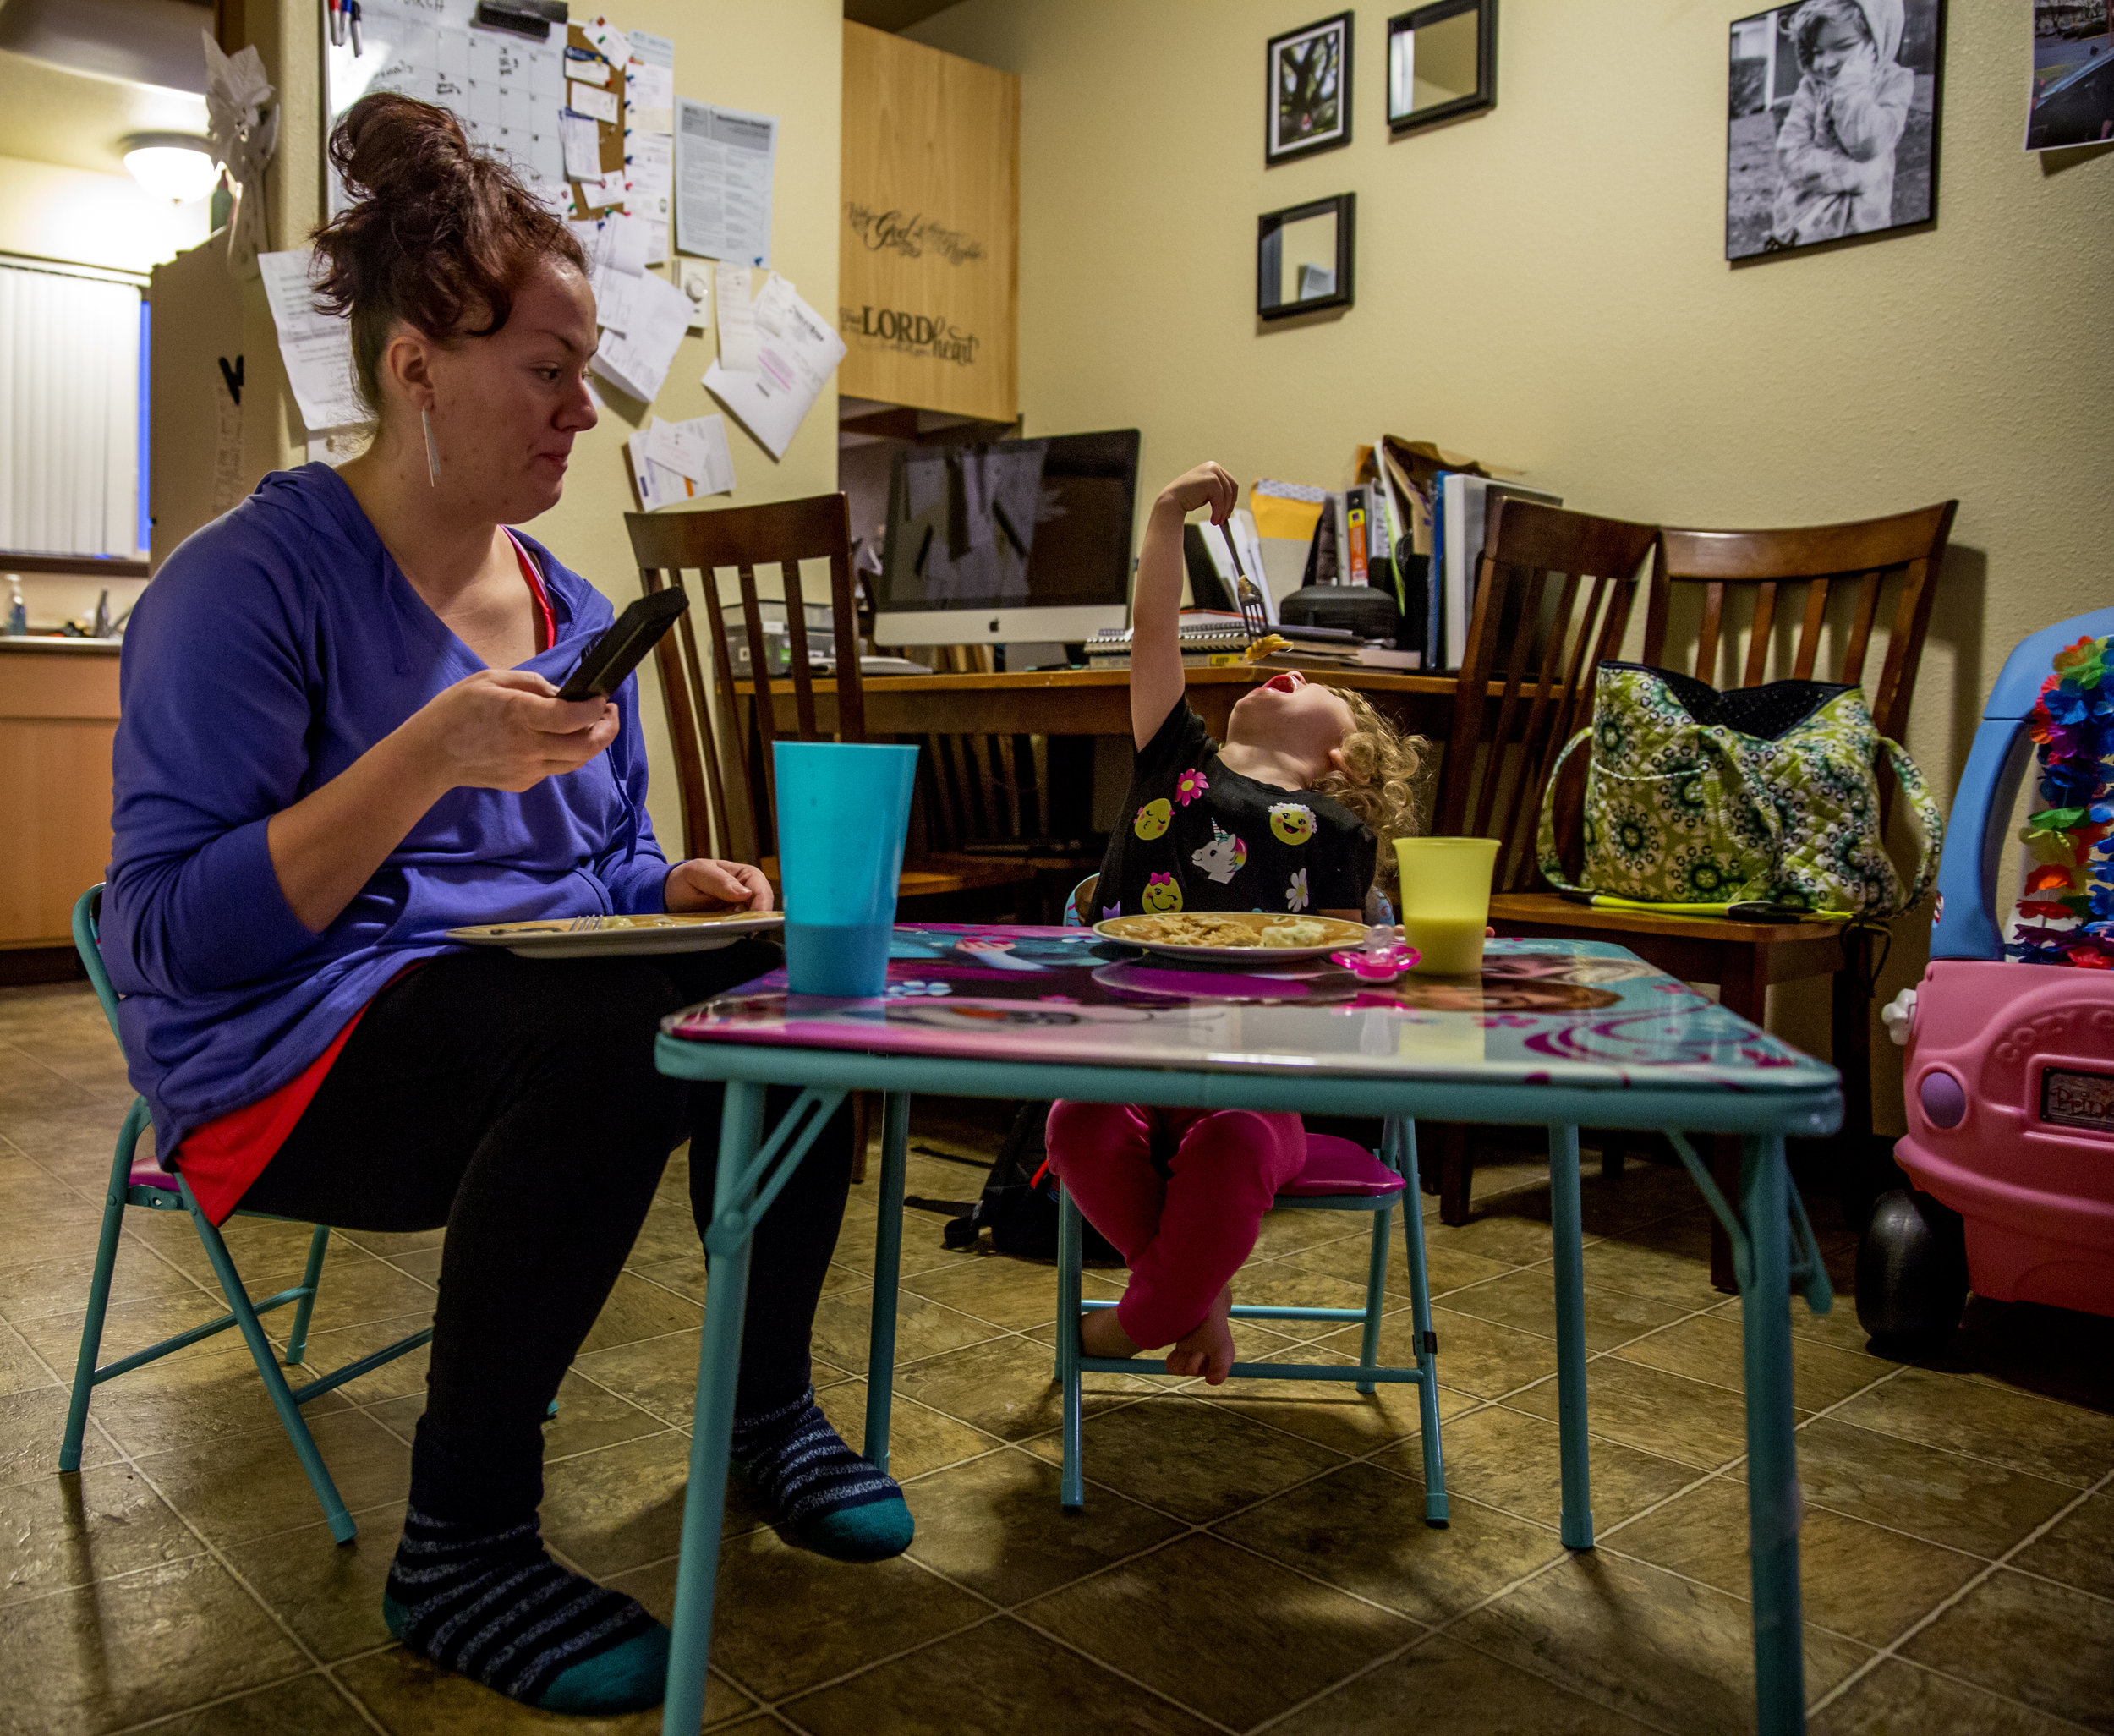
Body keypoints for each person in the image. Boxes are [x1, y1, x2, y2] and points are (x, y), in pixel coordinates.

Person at [101, 94, 907, 1719]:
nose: (578, 417)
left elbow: (590, 876)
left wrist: (668, 884)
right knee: (615, 1031)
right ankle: (460, 1541)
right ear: (415, 367)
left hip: (506, 1026)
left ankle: (766, 1407)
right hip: (279, 1068)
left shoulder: (569, 606)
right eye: (546, 373)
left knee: (801, 965)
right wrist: (425, 756)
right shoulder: (240, 590)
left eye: (584, 373)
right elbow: (169, 942)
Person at [1044, 463, 1425, 1383]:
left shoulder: (1341, 833)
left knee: (1235, 1144)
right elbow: (1156, 624)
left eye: (1315, 685)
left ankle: (1135, 1322)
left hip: (1258, 1091)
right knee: (1072, 1126)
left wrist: (1398, 957)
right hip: (1134, 1062)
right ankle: (1191, 1295)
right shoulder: (1172, 752)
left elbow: (1342, 977)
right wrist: (1168, 517)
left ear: (1345, 759)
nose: (1285, 668)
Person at [1767, 0, 1914, 249]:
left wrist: (1851, 85)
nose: (1827, 63)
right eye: (1817, 51)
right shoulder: (1812, 87)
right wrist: (1858, 174)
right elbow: (1790, 153)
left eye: (1843, 46)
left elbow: (1866, 144)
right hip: (1800, 226)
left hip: (1863, 228)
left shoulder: (1895, 83)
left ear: (1879, 38)